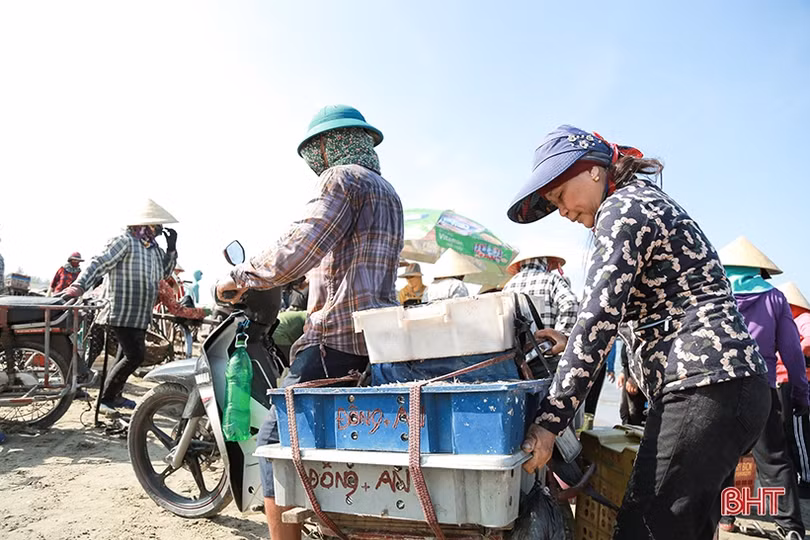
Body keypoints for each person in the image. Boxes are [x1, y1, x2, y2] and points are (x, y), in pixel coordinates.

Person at [508, 125, 769, 540]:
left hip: (704, 386)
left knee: (643, 529)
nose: (563, 211)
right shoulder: (644, 201)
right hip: (732, 386)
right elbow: (635, 307)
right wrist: (570, 335)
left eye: (559, 196)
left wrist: (548, 423)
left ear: (592, 170)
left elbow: (599, 318)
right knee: (688, 530)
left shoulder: (621, 208)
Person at [216, 104, 403, 540]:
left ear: (325, 146)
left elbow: (302, 243)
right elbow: (335, 253)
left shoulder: (342, 179)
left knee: (273, 444)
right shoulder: (388, 192)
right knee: (340, 444)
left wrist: (242, 276)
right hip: (374, 342)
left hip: (332, 340)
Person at [717, 238, 808, 538]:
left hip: (720, 386)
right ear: (759, 270)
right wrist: (800, 393)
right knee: (773, 457)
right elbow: (792, 351)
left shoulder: (714, 293)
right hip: (761, 386)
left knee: (726, 455)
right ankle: (790, 527)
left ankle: (725, 518)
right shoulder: (775, 299)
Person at [62, 199, 178, 414]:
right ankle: (106, 399)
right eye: (157, 225)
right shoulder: (124, 241)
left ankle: (114, 395)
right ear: (146, 224)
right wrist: (79, 286)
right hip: (121, 310)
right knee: (135, 355)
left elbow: (164, 273)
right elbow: (99, 263)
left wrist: (171, 249)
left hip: (140, 313)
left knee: (125, 355)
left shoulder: (153, 249)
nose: (160, 230)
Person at [502, 247, 579, 378]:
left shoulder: (508, 286)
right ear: (547, 264)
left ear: (520, 265)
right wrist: (562, 335)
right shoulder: (552, 280)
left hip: (518, 361)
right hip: (546, 357)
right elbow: (570, 303)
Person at [774, 282, 810, 498]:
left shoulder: (803, 319)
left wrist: (791, 349)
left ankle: (806, 479)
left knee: (798, 432)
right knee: (787, 430)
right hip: (785, 379)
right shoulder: (792, 320)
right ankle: (797, 476)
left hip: (795, 380)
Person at [615, 330, 647, 426]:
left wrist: (634, 377)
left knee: (635, 415)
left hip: (639, 372)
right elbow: (627, 344)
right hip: (630, 368)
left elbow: (643, 346)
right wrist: (623, 370)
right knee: (626, 414)